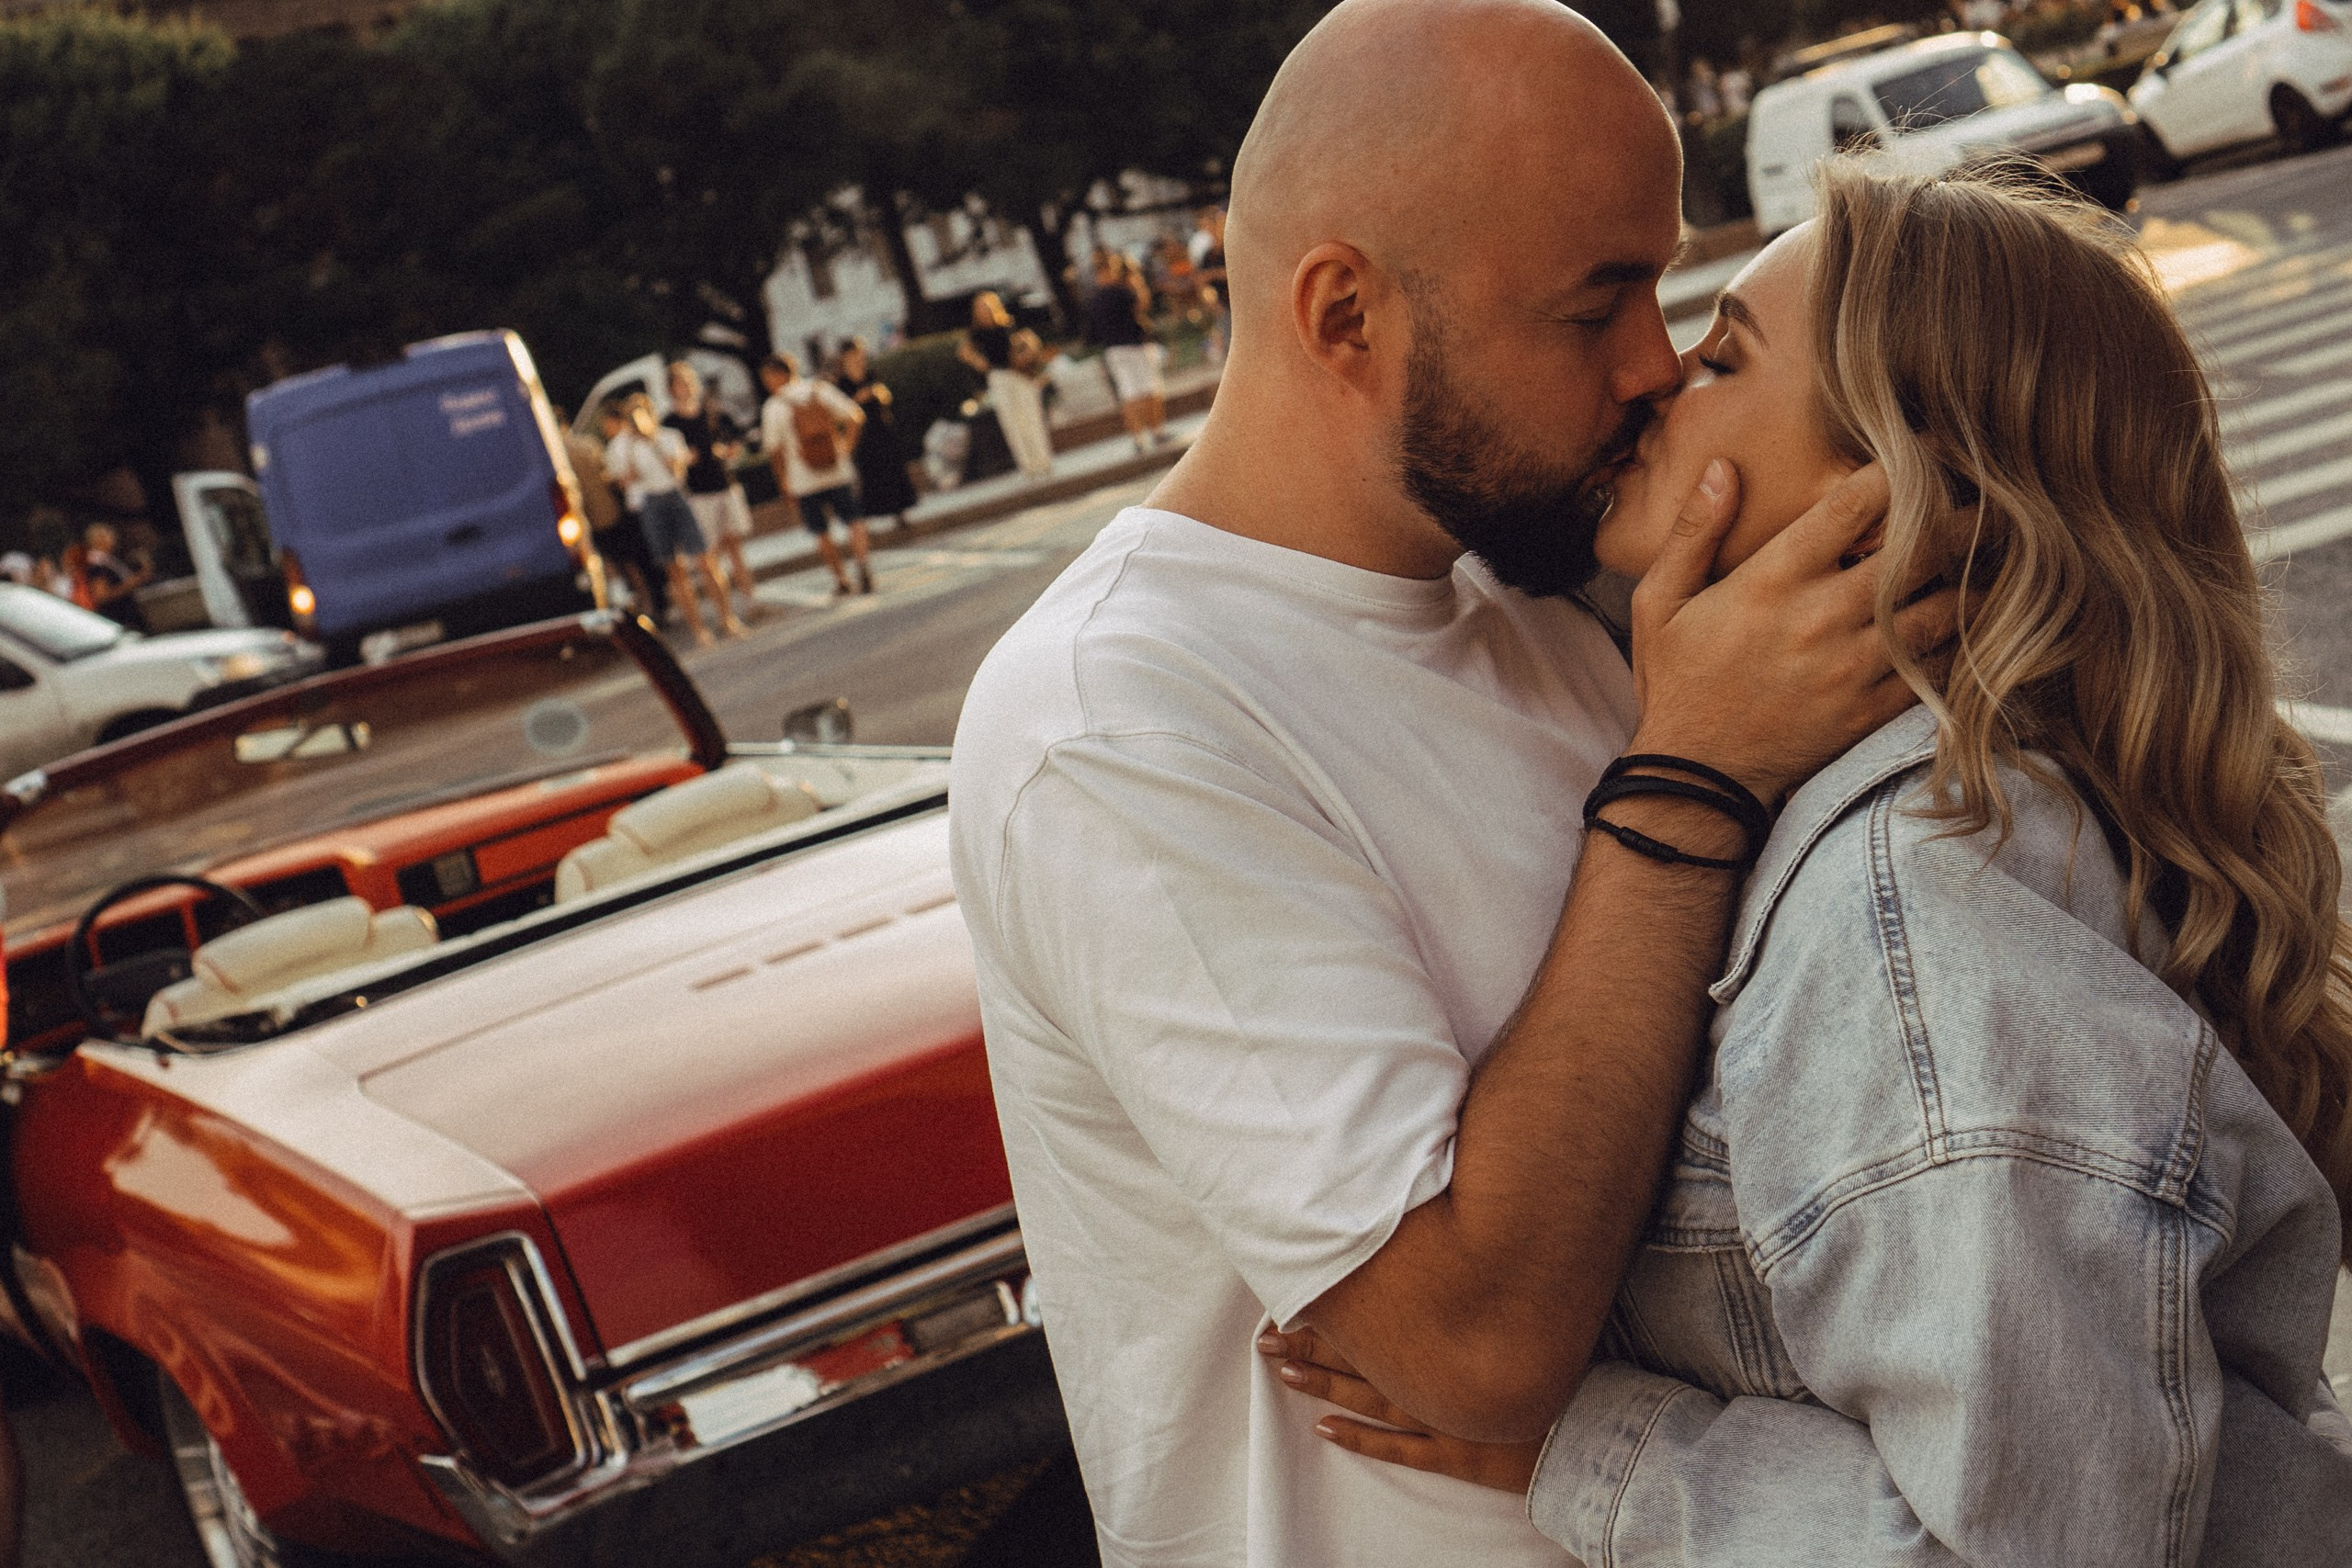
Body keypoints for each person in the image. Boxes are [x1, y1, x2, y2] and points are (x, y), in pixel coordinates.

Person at [947, 3, 1953, 1563]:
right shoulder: (1120, 720)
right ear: (1344, 314)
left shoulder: (1555, 595)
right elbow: (1466, 1350)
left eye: (1664, 281)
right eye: (1594, 305)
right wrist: (1686, 780)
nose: (1657, 362)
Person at [1268, 166, 2352, 1562]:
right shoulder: (1916, 825)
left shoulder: (1919, 919)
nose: (1652, 379)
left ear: (1887, 496)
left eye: (1722, 355)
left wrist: (1576, 1443)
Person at [604, 394, 744, 645]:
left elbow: (678, 472)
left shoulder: (668, 437)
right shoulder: (622, 447)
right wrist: (632, 457)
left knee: (705, 562)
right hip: (650, 504)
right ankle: (699, 630)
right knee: (674, 570)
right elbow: (623, 482)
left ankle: (727, 619)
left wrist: (653, 442)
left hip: (676, 497)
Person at [760, 354, 873, 596]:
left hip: (803, 477)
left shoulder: (774, 407)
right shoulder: (819, 390)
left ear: (776, 376)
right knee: (854, 519)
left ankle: (842, 579)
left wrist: (784, 483)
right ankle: (862, 564)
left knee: (821, 531)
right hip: (837, 468)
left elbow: (775, 452)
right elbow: (856, 416)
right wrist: (845, 447)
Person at [663, 362, 761, 625]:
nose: (684, 387)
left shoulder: (712, 411)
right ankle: (726, 612)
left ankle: (751, 602)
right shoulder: (669, 423)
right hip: (698, 493)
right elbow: (669, 459)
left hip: (724, 485)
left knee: (735, 548)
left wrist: (731, 451)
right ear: (671, 389)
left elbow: (737, 439)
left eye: (687, 381)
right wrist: (684, 461)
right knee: (709, 555)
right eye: (678, 383)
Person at [566, 404, 662, 624]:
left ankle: (635, 610)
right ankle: (645, 608)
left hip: (596, 518)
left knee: (618, 565)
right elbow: (607, 473)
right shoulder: (588, 445)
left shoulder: (564, 452)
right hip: (610, 512)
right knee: (629, 562)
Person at [957, 292, 1054, 478]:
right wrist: (980, 363)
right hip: (1000, 377)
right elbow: (964, 352)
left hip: (1020, 375)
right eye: (981, 308)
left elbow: (1027, 342)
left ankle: (1043, 459)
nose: (986, 311)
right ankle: (1028, 465)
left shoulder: (1008, 324)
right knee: (1012, 422)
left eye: (988, 306)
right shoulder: (976, 333)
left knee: (1032, 417)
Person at [833, 339, 920, 536]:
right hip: (862, 433)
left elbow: (885, 395)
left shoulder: (870, 373)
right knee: (870, 472)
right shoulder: (842, 382)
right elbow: (841, 409)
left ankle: (900, 511)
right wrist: (858, 398)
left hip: (880, 427)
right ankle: (871, 516)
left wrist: (878, 394)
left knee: (892, 467)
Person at [1089, 251, 1170, 454]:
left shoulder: (1094, 299)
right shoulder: (1120, 291)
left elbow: (1091, 333)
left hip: (1113, 349)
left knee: (1129, 395)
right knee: (1150, 390)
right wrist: (1137, 283)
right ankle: (1158, 432)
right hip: (1134, 345)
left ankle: (1138, 439)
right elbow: (1142, 305)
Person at [81, 524, 149, 632]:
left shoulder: (108, 561)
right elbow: (101, 595)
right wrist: (132, 583)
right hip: (118, 618)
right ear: (99, 540)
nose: (113, 539)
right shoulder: (97, 565)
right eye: (109, 536)